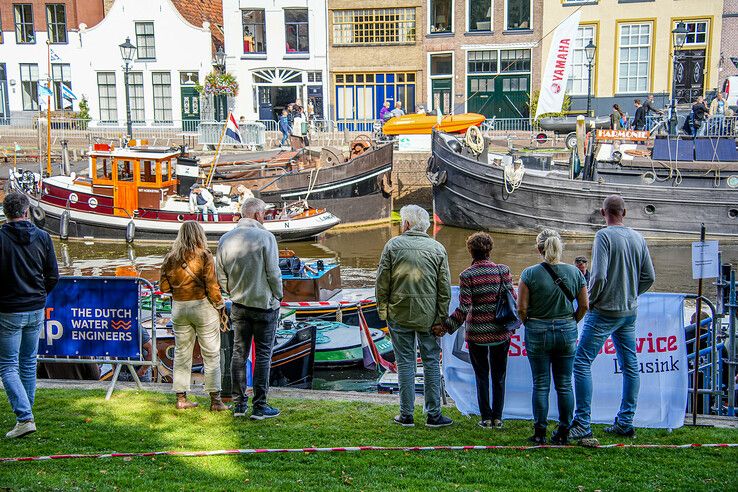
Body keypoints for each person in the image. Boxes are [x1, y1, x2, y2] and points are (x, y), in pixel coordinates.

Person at [569, 195, 656, 443]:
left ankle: (583, 423)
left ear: (602, 212)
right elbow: (649, 276)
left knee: (582, 362)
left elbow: (598, 277)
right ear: (625, 212)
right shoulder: (638, 237)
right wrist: (630, 293)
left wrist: (591, 301)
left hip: (605, 310)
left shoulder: (603, 236)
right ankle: (625, 421)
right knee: (630, 365)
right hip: (628, 312)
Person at [376, 205, 452, 428]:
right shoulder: (437, 249)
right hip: (429, 315)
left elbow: (382, 282)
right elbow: (444, 288)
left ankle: (406, 414)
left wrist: (383, 310)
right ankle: (434, 414)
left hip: (399, 312)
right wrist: (442, 317)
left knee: (405, 362)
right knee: (430, 362)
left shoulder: (392, 246)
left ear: (407, 224)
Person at [517, 230, 589, 445]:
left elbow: (521, 308)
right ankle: (565, 429)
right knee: (565, 384)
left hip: (538, 329)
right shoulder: (576, 273)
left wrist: (530, 322)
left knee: (540, 383)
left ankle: (540, 431)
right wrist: (572, 321)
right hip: (566, 330)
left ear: (539, 249)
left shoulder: (529, 274)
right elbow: (584, 305)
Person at [216, 198, 283, 420]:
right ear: (257, 215)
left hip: (238, 304)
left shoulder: (225, 239)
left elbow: (220, 274)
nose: (265, 217)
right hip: (264, 304)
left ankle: (239, 405)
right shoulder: (266, 237)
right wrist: (277, 294)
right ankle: (260, 405)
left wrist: (231, 291)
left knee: (239, 353)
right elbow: (274, 272)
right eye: (264, 214)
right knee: (263, 354)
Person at [0, 192, 59, 438]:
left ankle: (25, 416)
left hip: (9, 308)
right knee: (27, 362)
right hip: (35, 307)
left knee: (8, 365)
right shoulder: (43, 237)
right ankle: (26, 412)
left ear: (6, 213)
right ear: (26, 212)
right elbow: (53, 275)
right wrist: (40, 294)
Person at [442, 232, 515, 429]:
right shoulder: (503, 271)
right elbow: (512, 300)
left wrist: (446, 326)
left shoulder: (467, 275)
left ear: (470, 251)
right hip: (500, 332)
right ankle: (498, 417)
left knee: (481, 375)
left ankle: (485, 417)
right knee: (499, 375)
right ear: (490, 250)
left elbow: (464, 308)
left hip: (477, 334)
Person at [159, 221, 228, 412]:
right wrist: (220, 305)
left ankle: (181, 398)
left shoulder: (170, 258)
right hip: (202, 307)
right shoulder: (204, 255)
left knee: (182, 353)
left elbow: (163, 287)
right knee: (211, 353)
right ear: (200, 235)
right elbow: (212, 286)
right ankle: (215, 401)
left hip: (180, 308)